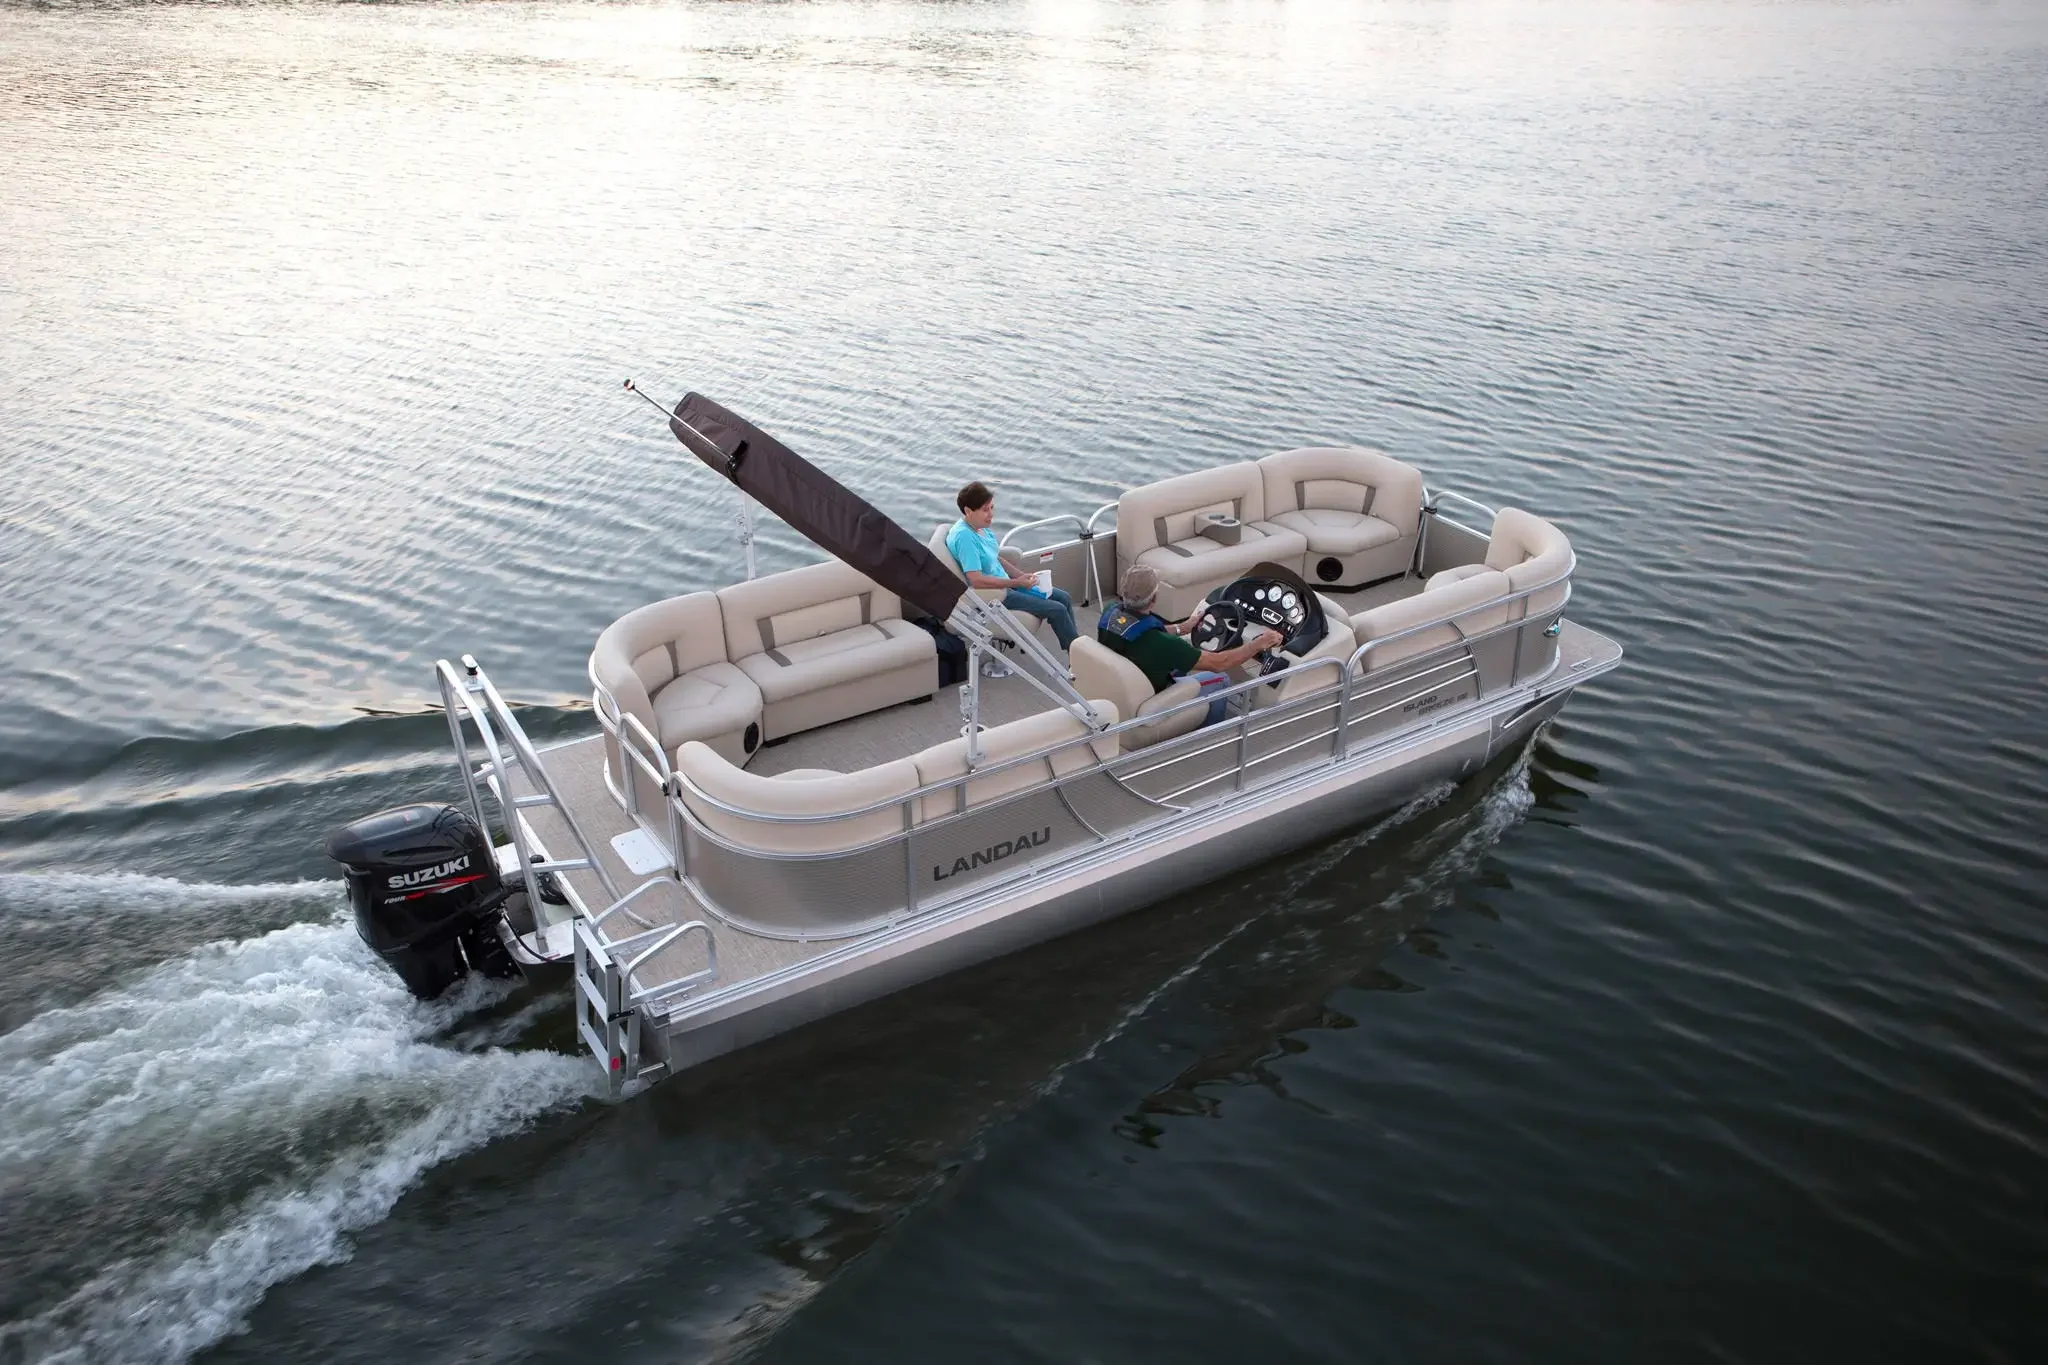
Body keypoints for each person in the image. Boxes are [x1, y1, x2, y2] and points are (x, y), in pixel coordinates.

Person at [1098, 564, 1282, 726]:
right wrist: (1258, 644)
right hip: (1149, 699)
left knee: (1185, 665)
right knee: (1221, 679)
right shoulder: (1166, 645)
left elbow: (1139, 630)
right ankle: (1212, 734)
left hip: (1128, 686)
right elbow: (1219, 663)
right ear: (1154, 599)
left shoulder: (1111, 613)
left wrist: (1183, 628)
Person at [945, 481, 1079, 651]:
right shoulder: (965, 537)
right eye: (985, 510)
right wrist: (1018, 583)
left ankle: (1077, 649)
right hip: (996, 596)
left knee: (1064, 597)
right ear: (968, 511)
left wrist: (1021, 575)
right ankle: (1077, 658)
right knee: (1057, 609)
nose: (991, 514)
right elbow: (976, 580)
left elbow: (995, 558)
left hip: (1007, 584)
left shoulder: (980, 528)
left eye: (992, 508)